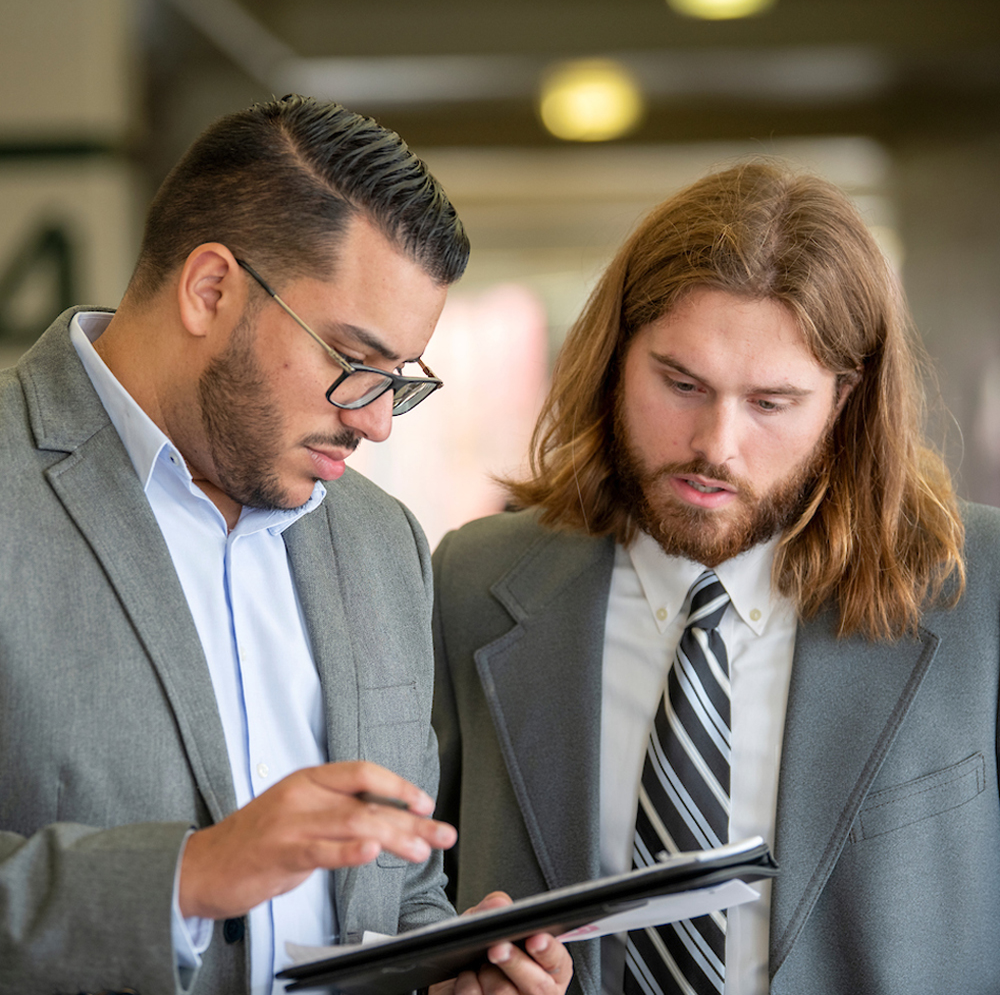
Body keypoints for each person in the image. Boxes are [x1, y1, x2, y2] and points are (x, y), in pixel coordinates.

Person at [0, 95, 571, 995]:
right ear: (209, 289)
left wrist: (446, 971)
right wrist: (188, 878)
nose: (378, 424)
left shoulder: (383, 546)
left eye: (399, 382)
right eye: (353, 362)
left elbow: (399, 891)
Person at [431, 160, 1000, 995]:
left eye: (771, 403)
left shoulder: (978, 589)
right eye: (681, 384)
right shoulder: (472, 584)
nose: (716, 445)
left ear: (846, 403)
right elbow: (405, 905)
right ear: (615, 358)